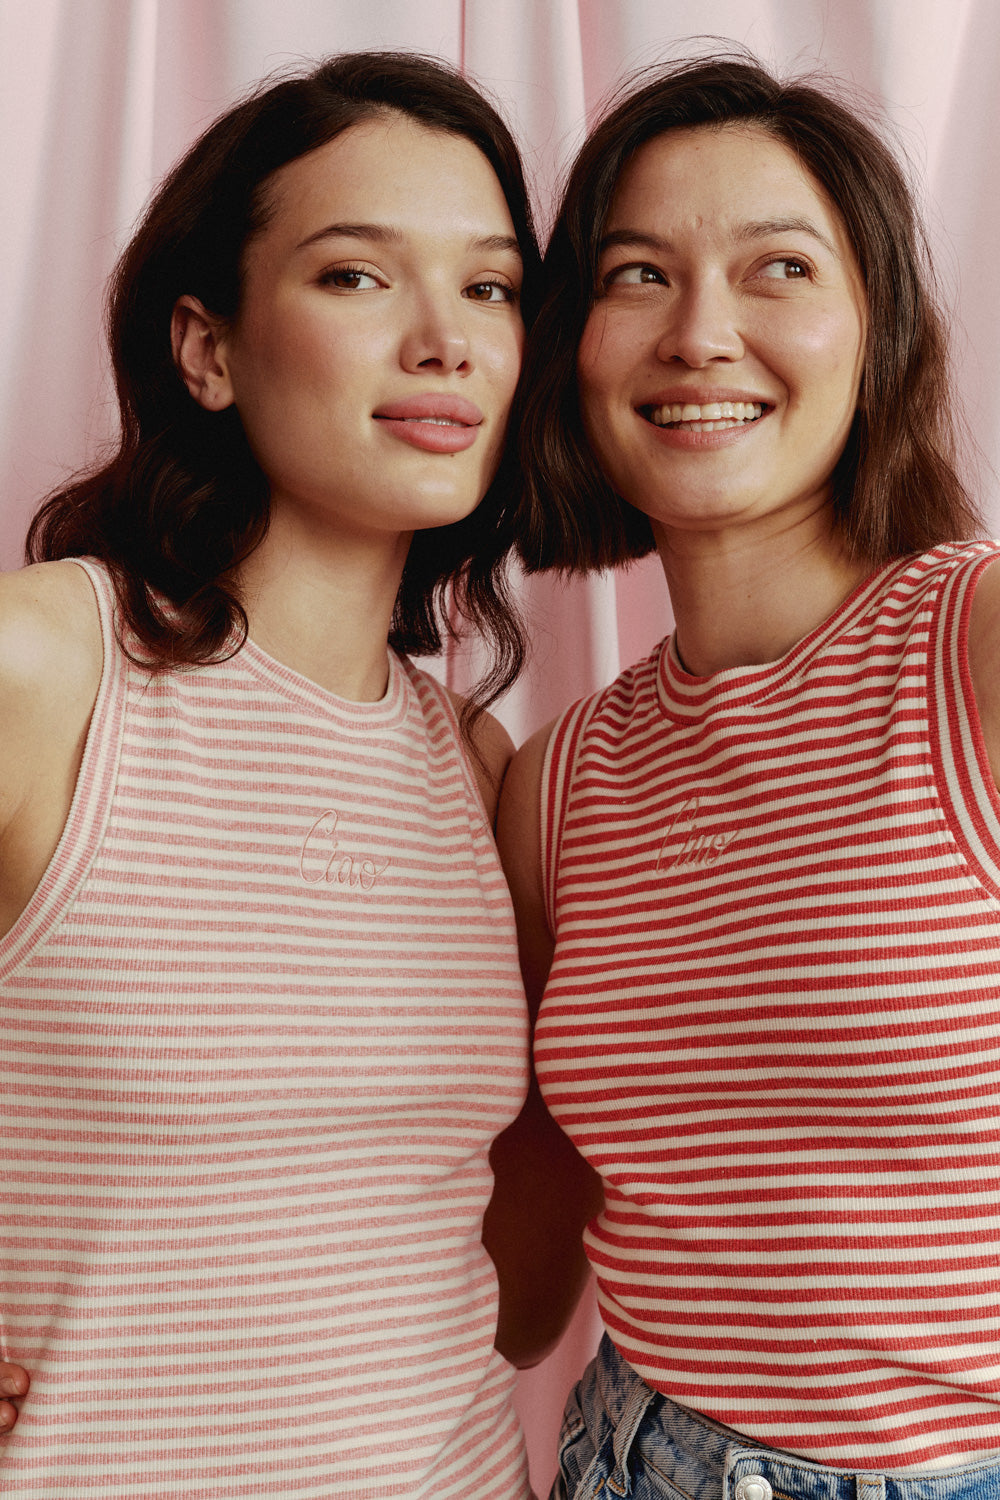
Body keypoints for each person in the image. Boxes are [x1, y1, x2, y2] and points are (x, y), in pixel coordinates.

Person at [0, 51, 544, 1496]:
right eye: (360, 277)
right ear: (208, 348)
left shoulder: (476, 768)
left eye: (492, 287)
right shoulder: (49, 666)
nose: (447, 342)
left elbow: (521, 1283)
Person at [497, 53, 1000, 1500]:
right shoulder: (560, 784)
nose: (701, 335)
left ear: (876, 331)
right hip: (629, 1461)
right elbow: (520, 1281)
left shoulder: (968, 649)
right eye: (640, 274)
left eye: (778, 266)